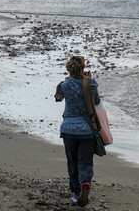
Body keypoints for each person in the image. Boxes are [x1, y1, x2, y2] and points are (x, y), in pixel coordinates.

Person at [54, 55, 101, 208]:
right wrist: (88, 80)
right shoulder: (92, 84)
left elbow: (58, 98)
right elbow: (97, 102)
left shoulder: (64, 85)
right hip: (87, 131)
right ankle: (85, 183)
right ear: (83, 67)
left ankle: (75, 193)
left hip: (68, 130)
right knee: (85, 162)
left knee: (72, 162)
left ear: (68, 68)